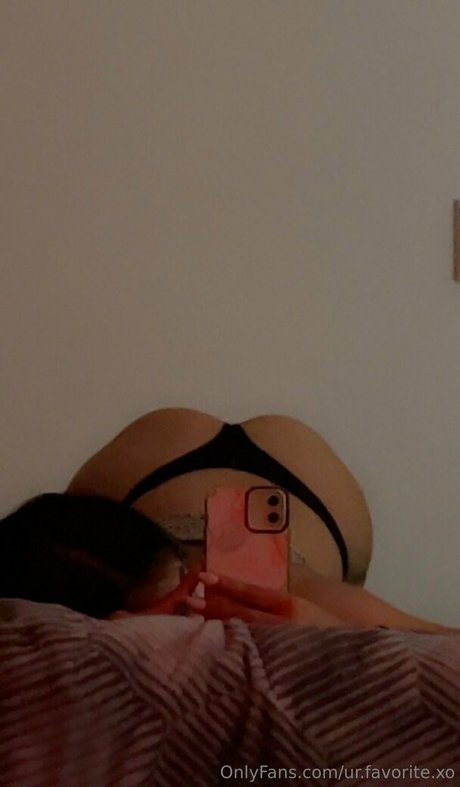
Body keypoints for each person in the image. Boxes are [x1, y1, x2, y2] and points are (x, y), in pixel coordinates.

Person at [0, 492, 457, 634]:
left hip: (295, 474)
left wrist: (330, 630)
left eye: (188, 598)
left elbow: (443, 642)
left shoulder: (285, 587)